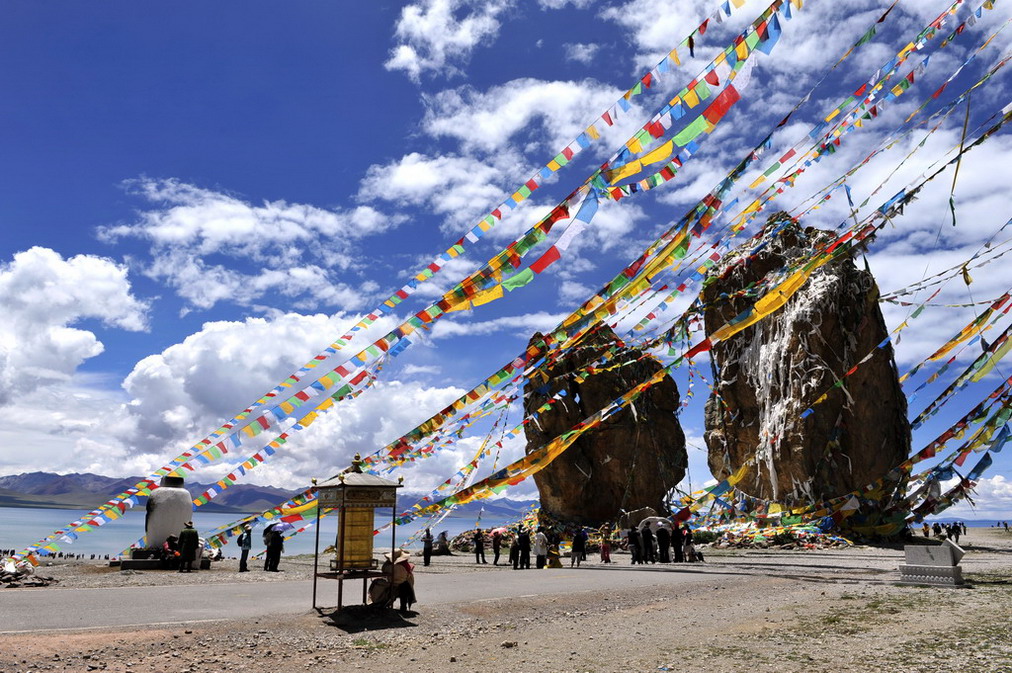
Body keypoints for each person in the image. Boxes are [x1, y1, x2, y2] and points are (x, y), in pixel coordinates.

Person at [369, 549, 416, 613]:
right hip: (401, 583)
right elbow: (407, 574)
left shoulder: (388, 565)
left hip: (391, 582)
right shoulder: (404, 565)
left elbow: (384, 570)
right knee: (405, 585)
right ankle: (403, 607)